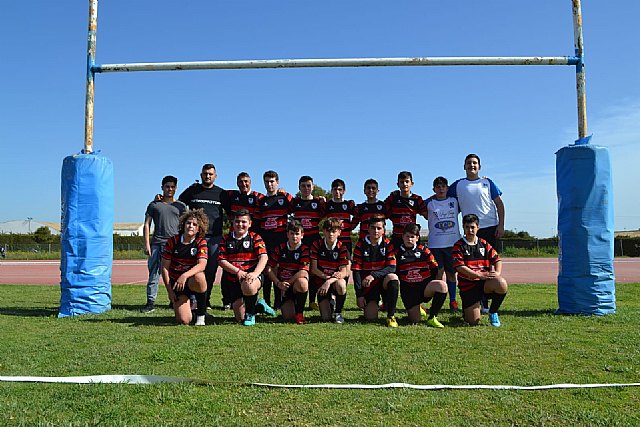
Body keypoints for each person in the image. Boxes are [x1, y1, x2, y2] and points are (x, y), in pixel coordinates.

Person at [178, 163, 229, 309]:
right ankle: (192, 299)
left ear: (215, 176)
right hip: (195, 238)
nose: (208, 176)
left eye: (210, 174)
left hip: (214, 238)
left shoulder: (221, 194)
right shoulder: (192, 191)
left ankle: (205, 300)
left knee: (210, 271)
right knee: (194, 268)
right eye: (205, 174)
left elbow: (231, 213)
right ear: (201, 175)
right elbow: (178, 206)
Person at [218, 209, 274, 326]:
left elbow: (264, 257)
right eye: (237, 221)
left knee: (248, 284)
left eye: (244, 222)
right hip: (234, 279)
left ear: (249, 223)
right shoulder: (226, 239)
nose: (240, 225)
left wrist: (255, 274)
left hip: (252, 277)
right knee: (239, 317)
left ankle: (250, 314)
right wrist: (237, 271)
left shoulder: (255, 237)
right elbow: (221, 260)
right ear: (233, 223)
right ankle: (259, 306)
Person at [452, 214, 508, 327]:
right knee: (473, 321)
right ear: (463, 227)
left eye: (473, 227)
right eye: (467, 227)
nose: (470, 230)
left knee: (501, 283)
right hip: (468, 287)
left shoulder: (484, 243)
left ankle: (493, 312)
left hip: (484, 284)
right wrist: (479, 275)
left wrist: (497, 273)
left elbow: (497, 260)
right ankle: (469, 309)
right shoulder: (458, 246)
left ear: (478, 227)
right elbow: (460, 267)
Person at [142, 175, 187, 313]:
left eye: (172, 187)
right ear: (162, 187)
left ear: (176, 188)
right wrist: (147, 244)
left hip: (174, 245)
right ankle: (150, 302)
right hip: (157, 244)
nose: (170, 189)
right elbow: (147, 224)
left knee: (174, 274)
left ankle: (173, 300)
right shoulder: (154, 205)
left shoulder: (181, 206)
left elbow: (186, 225)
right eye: (167, 186)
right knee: (154, 274)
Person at [160, 209, 209, 326]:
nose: (190, 226)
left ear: (199, 229)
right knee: (184, 320)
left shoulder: (200, 242)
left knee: (199, 277)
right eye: (188, 223)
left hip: (190, 280)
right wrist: (169, 291)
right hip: (178, 284)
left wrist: (185, 275)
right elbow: (164, 268)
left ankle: (201, 316)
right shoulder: (172, 241)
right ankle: (190, 307)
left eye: (194, 224)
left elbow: (202, 264)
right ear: (183, 224)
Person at [223, 172, 264, 309]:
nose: (243, 184)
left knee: (254, 276)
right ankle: (229, 301)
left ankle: (261, 302)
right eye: (240, 182)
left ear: (250, 182)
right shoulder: (230, 195)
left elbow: (264, 258)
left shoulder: (258, 197)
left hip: (252, 239)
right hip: (235, 241)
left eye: (246, 181)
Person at [448, 154, 505, 249]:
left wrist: (501, 225)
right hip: (470, 228)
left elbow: (499, 204)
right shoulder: (458, 184)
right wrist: (423, 202)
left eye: (475, 163)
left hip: (490, 227)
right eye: (468, 163)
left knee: (491, 261)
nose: (472, 165)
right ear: (464, 167)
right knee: (472, 261)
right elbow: (441, 193)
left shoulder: (487, 182)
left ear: (479, 166)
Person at [396, 223, 448, 327]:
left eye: (412, 237)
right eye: (407, 236)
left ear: (417, 238)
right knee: (415, 320)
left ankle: (432, 317)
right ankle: (416, 307)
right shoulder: (397, 253)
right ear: (403, 237)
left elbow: (435, 269)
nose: (409, 239)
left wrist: (431, 283)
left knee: (442, 286)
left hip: (424, 288)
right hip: (409, 290)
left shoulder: (424, 251)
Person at [352, 215, 400, 328]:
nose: (376, 230)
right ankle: (374, 305)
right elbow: (356, 271)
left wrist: (373, 275)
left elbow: (392, 267)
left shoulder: (388, 244)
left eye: (379, 228)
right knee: (370, 318)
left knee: (393, 278)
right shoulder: (360, 245)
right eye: (373, 228)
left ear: (383, 230)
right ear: (368, 229)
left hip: (382, 282)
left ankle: (391, 315)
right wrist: (359, 295)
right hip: (368, 285)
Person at [257, 170, 294, 308]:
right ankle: (266, 301)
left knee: (278, 270)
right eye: (267, 181)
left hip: (280, 239)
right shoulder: (261, 201)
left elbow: (295, 205)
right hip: (266, 240)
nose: (269, 184)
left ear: (277, 182)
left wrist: (285, 193)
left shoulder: (283, 199)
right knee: (267, 270)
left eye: (272, 181)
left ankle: (279, 301)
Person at [425, 176, 461, 311]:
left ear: (447, 188)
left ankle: (453, 301)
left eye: (443, 186)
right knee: (438, 274)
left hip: (452, 244)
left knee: (451, 274)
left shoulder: (455, 201)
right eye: (438, 187)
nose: (441, 189)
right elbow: (417, 209)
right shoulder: (428, 203)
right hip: (435, 245)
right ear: (434, 189)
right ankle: (437, 303)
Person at [291, 175, 325, 310]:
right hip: (299, 240)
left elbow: (328, 215)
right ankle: (292, 298)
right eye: (303, 186)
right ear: (299, 187)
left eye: (308, 186)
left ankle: (312, 300)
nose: (306, 188)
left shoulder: (318, 202)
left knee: (313, 270)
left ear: (313, 187)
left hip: (314, 240)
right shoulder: (295, 202)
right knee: (297, 268)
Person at [266, 220, 310, 324]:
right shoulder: (280, 248)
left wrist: (289, 283)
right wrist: (278, 283)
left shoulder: (305, 249)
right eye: (292, 233)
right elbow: (269, 268)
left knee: (302, 282)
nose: (294, 237)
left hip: (294, 284)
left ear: (302, 235)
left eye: (297, 234)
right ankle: (290, 304)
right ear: (287, 234)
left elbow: (303, 272)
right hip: (283, 286)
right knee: (288, 317)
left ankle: (300, 313)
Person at [309, 218, 349, 323]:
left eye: (333, 231)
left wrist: (329, 281)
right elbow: (313, 269)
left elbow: (344, 272)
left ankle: (338, 312)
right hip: (321, 282)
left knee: (341, 284)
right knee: (326, 318)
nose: (330, 234)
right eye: (328, 230)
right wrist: (326, 279)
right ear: (324, 231)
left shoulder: (342, 247)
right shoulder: (316, 245)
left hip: (334, 281)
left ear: (339, 232)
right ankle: (331, 301)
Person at [384, 171, 428, 250]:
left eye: (407, 181)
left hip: (411, 237)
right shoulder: (393, 197)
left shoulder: (417, 199)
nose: (404, 184)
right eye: (402, 182)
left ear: (412, 183)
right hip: (397, 237)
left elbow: (427, 215)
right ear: (398, 184)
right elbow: (383, 211)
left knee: (414, 260)